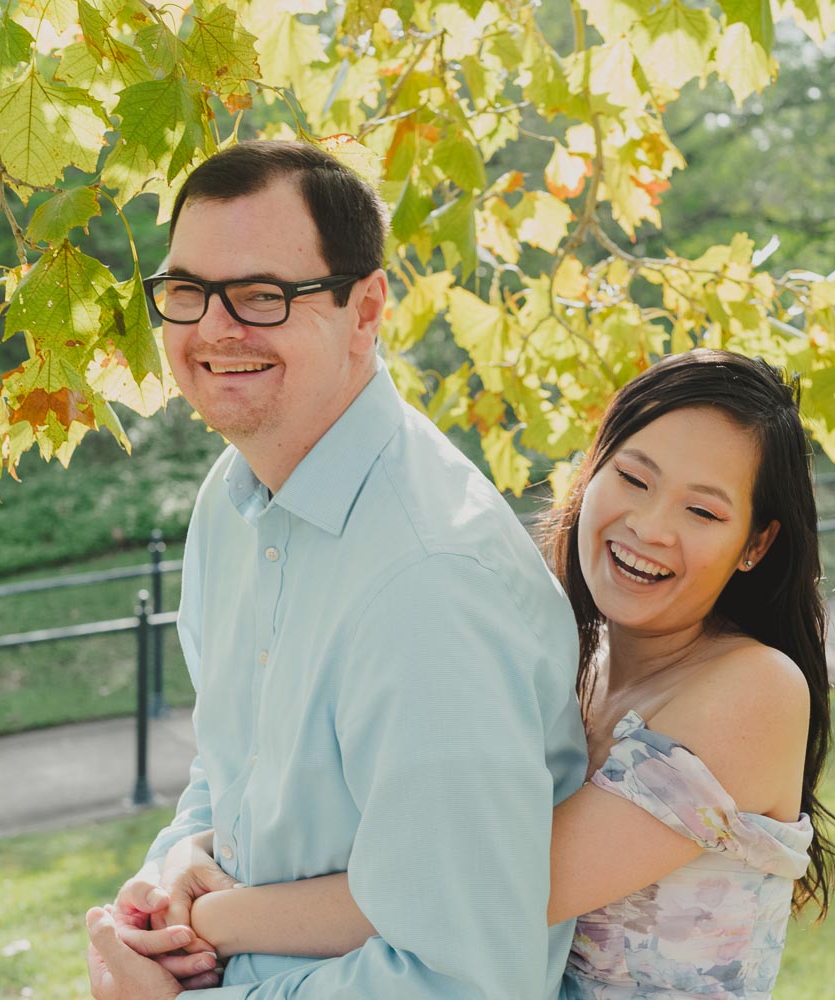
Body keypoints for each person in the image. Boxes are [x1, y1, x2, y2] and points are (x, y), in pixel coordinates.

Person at [145, 350, 835, 999]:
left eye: (702, 510)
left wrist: (209, 919)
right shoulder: (563, 663)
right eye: (634, 478)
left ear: (755, 544)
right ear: (591, 470)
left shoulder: (753, 691)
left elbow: (471, 894)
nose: (650, 526)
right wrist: (193, 848)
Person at [83, 139, 589, 999]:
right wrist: (171, 875)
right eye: (185, 292)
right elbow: (230, 770)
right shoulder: (231, 500)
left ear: (365, 310)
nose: (211, 328)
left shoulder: (431, 584)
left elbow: (466, 980)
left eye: (262, 295)